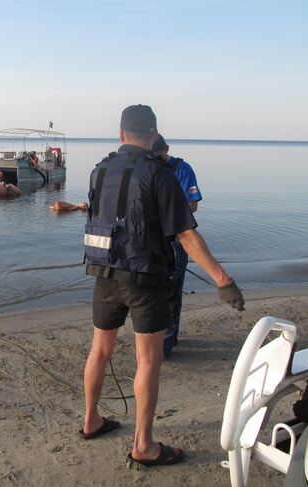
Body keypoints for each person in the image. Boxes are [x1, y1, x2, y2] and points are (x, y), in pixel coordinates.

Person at [81, 104, 244, 467]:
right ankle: (143, 446)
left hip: (104, 275)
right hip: (146, 280)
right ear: (153, 136)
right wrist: (223, 280)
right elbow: (185, 234)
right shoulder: (161, 173)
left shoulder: (99, 170)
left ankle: (91, 420)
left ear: (121, 135)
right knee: (148, 360)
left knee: (99, 352)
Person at [152, 134, 203, 358]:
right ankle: (157, 337)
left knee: (172, 291)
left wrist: (167, 210)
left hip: (176, 240)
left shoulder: (182, 169)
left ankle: (168, 341)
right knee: (152, 291)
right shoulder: (149, 168)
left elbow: (192, 205)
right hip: (152, 240)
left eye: (160, 155)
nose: (157, 159)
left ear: (167, 149)